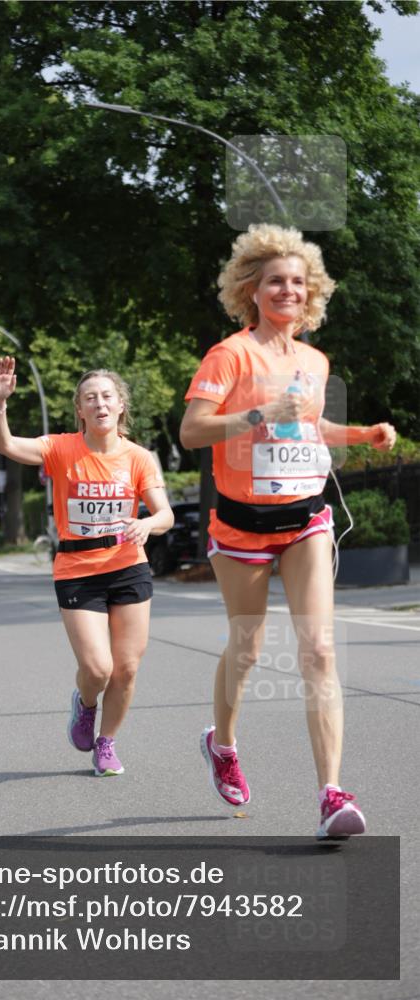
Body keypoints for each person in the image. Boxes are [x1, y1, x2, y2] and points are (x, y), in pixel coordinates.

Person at [179, 223, 396, 839]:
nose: (288, 290)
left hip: (305, 518)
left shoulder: (314, 360)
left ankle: (331, 792)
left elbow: (308, 428)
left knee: (319, 650)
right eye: (276, 280)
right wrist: (255, 414)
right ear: (252, 289)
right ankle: (222, 743)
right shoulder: (230, 355)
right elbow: (193, 432)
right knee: (246, 649)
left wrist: (362, 436)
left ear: (312, 293)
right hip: (242, 525)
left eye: (299, 282)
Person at [0, 358, 173, 776]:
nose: (100, 404)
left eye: (107, 396)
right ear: (80, 410)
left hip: (128, 565)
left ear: (120, 405)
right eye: (91, 398)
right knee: (98, 668)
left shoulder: (139, 457)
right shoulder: (60, 449)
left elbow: (165, 515)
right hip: (77, 567)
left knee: (125, 669)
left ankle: (106, 743)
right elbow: (6, 446)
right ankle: (85, 703)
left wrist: (146, 522)